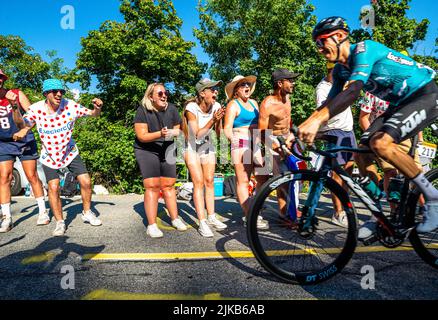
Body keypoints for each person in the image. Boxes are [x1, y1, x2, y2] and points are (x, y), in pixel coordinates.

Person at [298, 16, 438, 237]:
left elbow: (352, 92)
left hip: (424, 93)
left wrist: (315, 122)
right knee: (361, 154)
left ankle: (433, 198)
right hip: (399, 104)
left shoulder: (364, 49)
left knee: (380, 143)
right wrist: (301, 128)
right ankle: (377, 212)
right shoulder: (340, 71)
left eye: (321, 41)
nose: (319, 49)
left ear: (339, 36)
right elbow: (328, 105)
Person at [23, 78, 103, 237]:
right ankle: (60, 222)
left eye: (62, 91)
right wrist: (13, 109)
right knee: (53, 187)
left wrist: (97, 108)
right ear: (46, 94)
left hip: (69, 151)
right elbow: (22, 124)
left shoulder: (70, 105)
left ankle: (87, 212)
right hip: (50, 155)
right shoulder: (37, 108)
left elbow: (93, 115)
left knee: (86, 181)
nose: (59, 94)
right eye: (55, 91)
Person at [134, 82, 188, 238]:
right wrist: (160, 134)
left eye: (165, 93)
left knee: (169, 185)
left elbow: (179, 131)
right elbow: (142, 136)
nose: (164, 95)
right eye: (160, 93)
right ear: (150, 97)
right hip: (146, 149)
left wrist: (171, 134)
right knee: (152, 186)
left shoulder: (171, 109)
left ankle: (175, 218)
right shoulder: (142, 110)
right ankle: (151, 225)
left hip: (167, 148)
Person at [359, 91, 425, 214]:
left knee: (415, 172)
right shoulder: (372, 92)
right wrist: (374, 138)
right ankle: (394, 211)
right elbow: (363, 118)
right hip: (381, 136)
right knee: (390, 172)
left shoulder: (404, 88)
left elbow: (416, 113)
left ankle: (424, 206)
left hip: (404, 135)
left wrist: (420, 137)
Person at [0, 69, 49, 233]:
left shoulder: (16, 94)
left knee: (31, 175)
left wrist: (15, 107)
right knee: (4, 176)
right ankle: (7, 217)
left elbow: (33, 116)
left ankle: (42, 211)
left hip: (24, 140)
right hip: (4, 142)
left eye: (1, 78)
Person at [182, 78, 227, 237]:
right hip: (191, 146)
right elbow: (197, 135)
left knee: (209, 181)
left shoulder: (216, 106)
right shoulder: (191, 107)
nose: (216, 91)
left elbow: (219, 133)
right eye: (212, 89)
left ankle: (212, 217)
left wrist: (219, 121)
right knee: (198, 182)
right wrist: (213, 120)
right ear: (202, 93)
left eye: (216, 89)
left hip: (208, 145)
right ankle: (202, 222)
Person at [223, 75, 268, 229]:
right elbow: (227, 128)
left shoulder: (254, 103)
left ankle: (254, 205)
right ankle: (251, 216)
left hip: (255, 143)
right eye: (242, 85)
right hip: (241, 141)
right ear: (236, 90)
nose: (246, 87)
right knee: (243, 180)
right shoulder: (233, 105)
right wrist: (232, 140)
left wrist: (266, 141)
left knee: (264, 177)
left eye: (247, 84)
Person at [315, 62, 356, 227]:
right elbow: (322, 112)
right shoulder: (322, 88)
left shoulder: (343, 84)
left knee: (348, 173)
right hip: (334, 131)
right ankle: (337, 213)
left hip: (349, 131)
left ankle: (344, 208)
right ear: (332, 70)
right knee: (337, 175)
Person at [259, 68, 300, 220]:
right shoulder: (267, 104)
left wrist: (291, 138)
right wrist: (277, 147)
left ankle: (292, 211)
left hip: (288, 138)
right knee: (282, 180)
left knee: (297, 177)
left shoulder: (288, 99)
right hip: (273, 140)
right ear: (280, 83)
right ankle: (285, 216)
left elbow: (287, 120)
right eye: (290, 80)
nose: (293, 83)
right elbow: (262, 132)